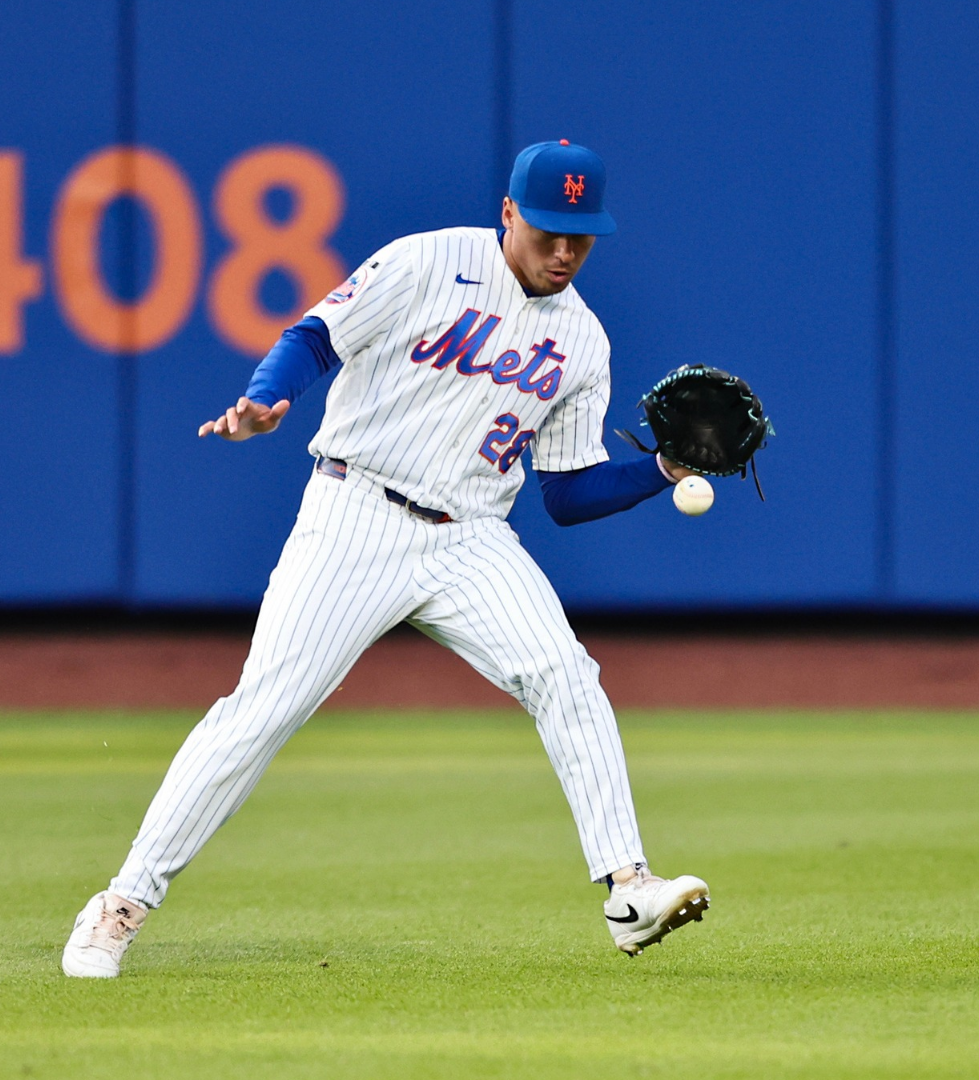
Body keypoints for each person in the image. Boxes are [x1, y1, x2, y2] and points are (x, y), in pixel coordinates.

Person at [63, 141, 710, 978]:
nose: (563, 251)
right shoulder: (427, 260)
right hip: (356, 510)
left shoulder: (583, 341)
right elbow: (315, 335)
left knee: (566, 675)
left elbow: (567, 493)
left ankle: (629, 890)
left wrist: (661, 471)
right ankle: (120, 904)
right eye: (549, 230)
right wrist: (266, 398)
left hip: (472, 534)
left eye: (580, 238)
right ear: (509, 212)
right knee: (263, 711)